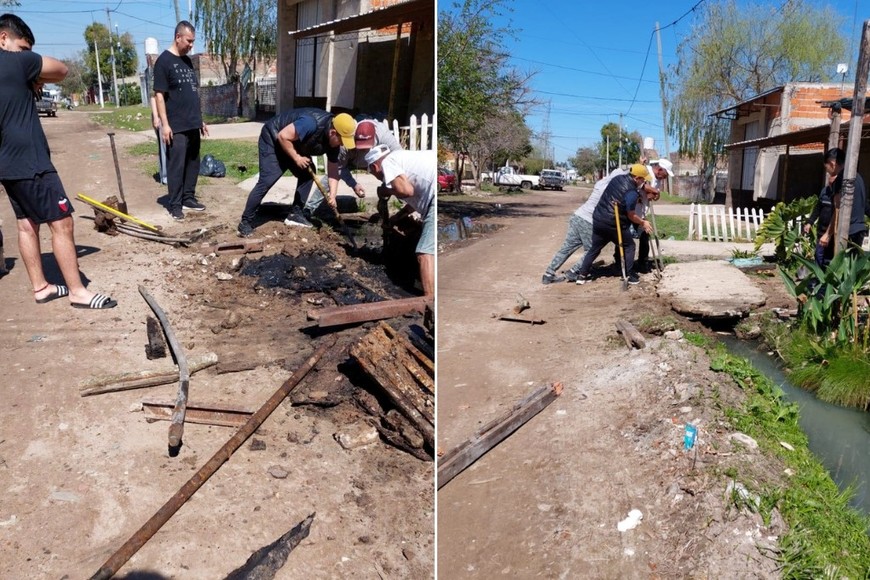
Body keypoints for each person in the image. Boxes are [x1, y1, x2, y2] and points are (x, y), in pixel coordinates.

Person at [0, 14, 117, 308]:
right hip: (32, 162)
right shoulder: (17, 62)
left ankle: (41, 287)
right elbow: (62, 70)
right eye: (23, 46)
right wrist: (35, 71)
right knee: (62, 222)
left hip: (8, 163)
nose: (27, 54)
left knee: (27, 224)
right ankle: (78, 291)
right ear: (3, 39)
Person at [236, 108, 357, 237]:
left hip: (293, 144)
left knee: (307, 173)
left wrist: (332, 195)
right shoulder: (311, 123)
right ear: (333, 132)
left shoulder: (333, 143)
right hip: (274, 138)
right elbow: (283, 136)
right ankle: (245, 222)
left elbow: (333, 170)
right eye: (342, 141)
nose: (342, 145)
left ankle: (295, 214)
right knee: (267, 180)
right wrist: (297, 158)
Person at [153, 21, 209, 221]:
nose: (191, 45)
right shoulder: (163, 62)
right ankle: (175, 204)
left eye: (193, 41)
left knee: (193, 163)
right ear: (178, 37)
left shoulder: (186, 61)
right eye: (189, 41)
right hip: (176, 125)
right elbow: (159, 96)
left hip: (193, 122)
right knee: (176, 166)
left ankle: (188, 197)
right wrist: (165, 124)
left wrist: (200, 120)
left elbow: (193, 92)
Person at [364, 144, 435, 297]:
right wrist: (396, 218)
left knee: (424, 252)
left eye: (372, 172)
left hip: (434, 199)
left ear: (375, 166)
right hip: (433, 195)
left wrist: (385, 190)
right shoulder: (401, 158)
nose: (376, 176)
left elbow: (406, 191)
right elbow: (414, 196)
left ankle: (429, 301)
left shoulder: (388, 163)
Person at [303, 117, 402, 217]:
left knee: (397, 179)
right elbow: (339, 168)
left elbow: (400, 161)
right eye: (360, 147)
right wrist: (354, 184)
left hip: (376, 160)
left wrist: (388, 183)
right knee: (331, 178)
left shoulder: (385, 136)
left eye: (366, 148)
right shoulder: (345, 144)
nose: (363, 151)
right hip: (352, 161)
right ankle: (309, 209)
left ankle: (404, 208)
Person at [571, 164, 652, 286]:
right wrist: (643, 222)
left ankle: (582, 275)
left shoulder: (617, 178)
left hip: (599, 218)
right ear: (636, 178)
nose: (644, 182)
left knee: (595, 248)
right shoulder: (632, 192)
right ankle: (629, 275)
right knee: (629, 246)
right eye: (643, 179)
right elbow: (631, 215)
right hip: (614, 223)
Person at [819, 147, 867, 257]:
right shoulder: (857, 176)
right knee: (852, 267)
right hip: (859, 230)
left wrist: (827, 234)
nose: (828, 172)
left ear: (832, 163)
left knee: (840, 268)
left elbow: (838, 209)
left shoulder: (841, 179)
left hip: (847, 232)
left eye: (827, 168)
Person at [634, 158, 673, 272]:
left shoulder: (659, 180)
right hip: (631, 210)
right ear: (660, 169)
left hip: (642, 212)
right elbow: (642, 186)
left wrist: (656, 195)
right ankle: (620, 262)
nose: (665, 178)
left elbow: (656, 194)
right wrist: (653, 191)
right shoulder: (646, 171)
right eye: (665, 175)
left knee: (645, 236)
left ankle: (642, 262)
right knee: (625, 236)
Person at [803, 153, 837, 267]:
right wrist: (809, 222)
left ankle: (826, 281)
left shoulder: (839, 195)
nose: (831, 186)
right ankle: (818, 278)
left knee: (829, 259)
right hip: (821, 232)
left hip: (833, 233)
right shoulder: (824, 192)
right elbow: (818, 208)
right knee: (818, 256)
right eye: (830, 183)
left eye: (833, 184)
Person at [149, 94, 167, 185]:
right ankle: (165, 176)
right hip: (160, 117)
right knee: (164, 146)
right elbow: (153, 96)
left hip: (172, 115)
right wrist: (156, 116)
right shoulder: (158, 79)